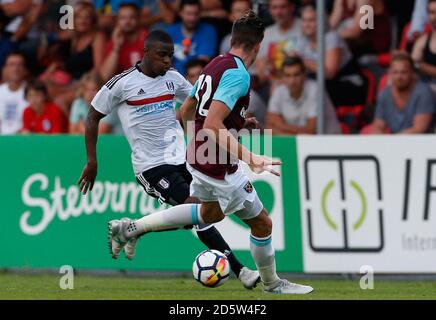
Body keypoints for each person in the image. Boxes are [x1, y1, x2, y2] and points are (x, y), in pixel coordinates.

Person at [105, 11, 314, 294]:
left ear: (233, 39)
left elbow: (187, 111)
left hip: (200, 159)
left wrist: (230, 126)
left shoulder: (215, 64)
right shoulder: (238, 74)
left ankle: (133, 227)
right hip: (219, 165)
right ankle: (272, 284)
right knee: (262, 222)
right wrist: (251, 157)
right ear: (258, 45)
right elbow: (213, 122)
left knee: (208, 213)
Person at [77, 30, 260, 289]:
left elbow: (201, 105)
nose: (167, 62)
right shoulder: (122, 83)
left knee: (203, 214)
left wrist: (239, 122)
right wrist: (92, 161)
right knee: (198, 211)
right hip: (151, 167)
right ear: (146, 54)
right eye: (162, 56)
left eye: (171, 56)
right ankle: (241, 271)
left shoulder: (173, 78)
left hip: (183, 159)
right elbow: (92, 116)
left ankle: (132, 228)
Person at [293, 4, 367, 107]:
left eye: (311, 20)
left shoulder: (331, 37)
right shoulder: (302, 40)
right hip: (324, 86)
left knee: (310, 88)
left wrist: (301, 61)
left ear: (322, 21)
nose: (307, 24)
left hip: (348, 85)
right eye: (304, 20)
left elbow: (329, 72)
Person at [265, 56, 340, 135]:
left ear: (304, 75)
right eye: (288, 75)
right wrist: (294, 136)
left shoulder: (315, 89)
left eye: (296, 75)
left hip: (328, 143)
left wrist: (281, 126)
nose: (292, 81)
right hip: (298, 142)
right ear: (282, 77)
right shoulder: (279, 91)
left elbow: (311, 131)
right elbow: (268, 128)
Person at [369, 53, 435, 134]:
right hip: (395, 142)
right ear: (390, 73)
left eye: (403, 72)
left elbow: (418, 129)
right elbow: (378, 124)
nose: (399, 77)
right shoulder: (384, 94)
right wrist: (377, 133)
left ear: (412, 73)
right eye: (395, 72)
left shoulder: (424, 92)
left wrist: (391, 142)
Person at [165, 0, 218, 75]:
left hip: (196, 78)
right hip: (173, 78)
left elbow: (202, 62)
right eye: (188, 14)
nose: (192, 18)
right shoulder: (170, 32)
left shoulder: (208, 31)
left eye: (195, 14)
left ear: (200, 13)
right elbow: (164, 60)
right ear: (180, 13)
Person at [255, 0, 302, 83]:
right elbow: (260, 71)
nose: (278, 12)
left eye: (283, 7)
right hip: (271, 85)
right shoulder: (265, 34)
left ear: (292, 7)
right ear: (269, 9)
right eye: (274, 7)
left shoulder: (305, 28)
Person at [100, 3, 148, 82]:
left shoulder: (148, 39)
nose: (127, 21)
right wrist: (116, 48)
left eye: (132, 17)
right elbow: (104, 77)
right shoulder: (114, 42)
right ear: (117, 21)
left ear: (138, 19)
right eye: (123, 18)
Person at [0, 52, 28, 135]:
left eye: (20, 65)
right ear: (5, 69)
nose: (16, 69)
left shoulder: (32, 92)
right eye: (11, 65)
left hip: (23, 141)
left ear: (25, 70)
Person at [412, 0, 436, 92]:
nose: (435, 17)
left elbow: (415, 63)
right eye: (432, 12)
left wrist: (420, 65)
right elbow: (412, 64)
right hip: (426, 88)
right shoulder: (423, 40)